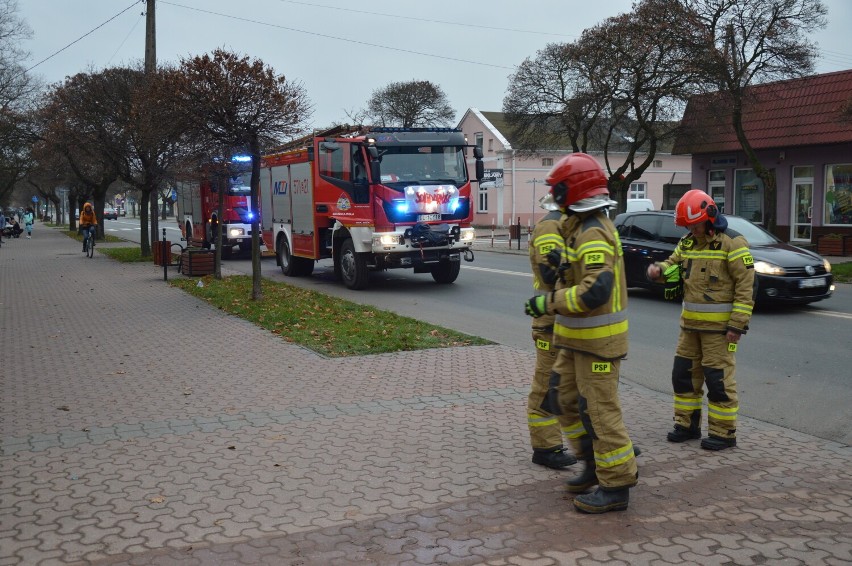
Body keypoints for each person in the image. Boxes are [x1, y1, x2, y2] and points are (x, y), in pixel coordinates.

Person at [524, 153, 638, 514]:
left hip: (597, 344)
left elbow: (594, 293)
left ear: (570, 192)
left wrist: (549, 303)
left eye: (557, 189)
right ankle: (592, 465)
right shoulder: (577, 227)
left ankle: (616, 483)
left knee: (600, 412)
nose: (554, 196)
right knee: (562, 401)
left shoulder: (592, 232)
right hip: (574, 342)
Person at [646, 189, 755, 451]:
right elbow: (673, 264)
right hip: (689, 328)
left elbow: (746, 286)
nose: (690, 230)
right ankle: (687, 425)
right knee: (683, 376)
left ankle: (724, 433)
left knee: (718, 380)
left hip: (719, 331)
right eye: (686, 226)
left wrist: (737, 325)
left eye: (693, 225)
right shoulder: (687, 242)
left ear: (709, 217)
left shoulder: (733, 243)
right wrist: (658, 270)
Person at [525, 194, 576, 470]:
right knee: (547, 386)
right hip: (550, 323)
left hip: (571, 321)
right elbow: (548, 274)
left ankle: (604, 443)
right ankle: (545, 447)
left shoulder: (571, 224)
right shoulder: (550, 226)